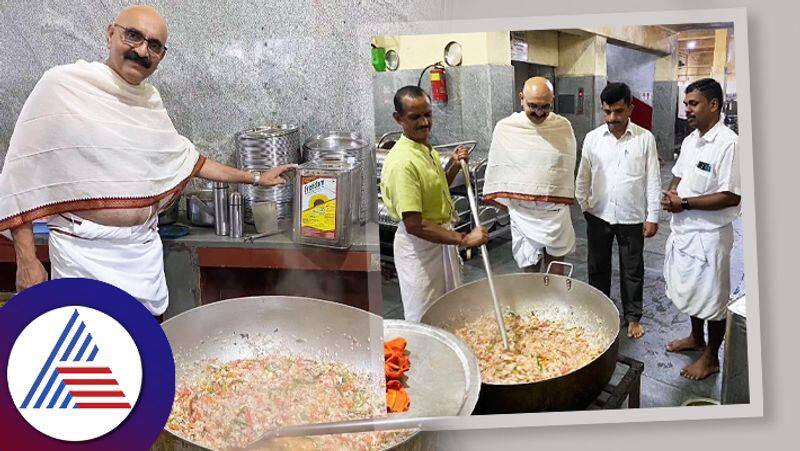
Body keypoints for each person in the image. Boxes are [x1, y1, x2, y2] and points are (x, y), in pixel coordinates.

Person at [0, 5, 295, 316]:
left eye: (154, 45)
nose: (142, 51)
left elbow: (190, 160)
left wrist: (258, 178)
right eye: (133, 36)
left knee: (145, 346)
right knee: (94, 352)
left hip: (142, 256)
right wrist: (27, 259)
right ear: (110, 34)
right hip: (83, 256)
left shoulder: (149, 103)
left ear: (161, 56)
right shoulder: (61, 86)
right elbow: (21, 176)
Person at [380, 85, 488, 321]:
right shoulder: (402, 162)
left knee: (448, 306)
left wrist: (454, 166)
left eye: (427, 114)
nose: (424, 123)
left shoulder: (426, 149)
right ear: (398, 119)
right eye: (415, 117)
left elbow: (438, 188)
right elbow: (415, 224)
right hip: (419, 247)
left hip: (438, 240)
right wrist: (464, 239)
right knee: (424, 313)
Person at [661, 78, 741, 380]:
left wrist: (687, 204)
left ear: (713, 105)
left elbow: (731, 195)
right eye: (685, 104)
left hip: (710, 237)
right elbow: (678, 175)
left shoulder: (728, 143)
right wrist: (672, 195)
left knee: (712, 299)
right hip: (685, 232)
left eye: (693, 104)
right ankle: (696, 338)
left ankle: (711, 357)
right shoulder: (693, 139)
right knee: (694, 292)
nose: (687, 110)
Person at [575, 82, 661, 339]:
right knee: (597, 266)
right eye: (607, 112)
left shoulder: (645, 139)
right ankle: (599, 310)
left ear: (630, 108)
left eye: (618, 111)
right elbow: (583, 175)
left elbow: (653, 180)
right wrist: (583, 204)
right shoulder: (593, 138)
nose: (612, 118)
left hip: (632, 216)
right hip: (598, 214)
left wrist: (652, 216)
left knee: (632, 269)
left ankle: (632, 317)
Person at [482, 77, 577, 274]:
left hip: (555, 212)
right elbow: (501, 167)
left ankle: (555, 304)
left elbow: (564, 168)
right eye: (533, 106)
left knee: (556, 275)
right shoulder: (507, 128)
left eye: (545, 107)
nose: (539, 112)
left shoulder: (562, 126)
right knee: (529, 275)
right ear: (521, 98)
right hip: (523, 212)